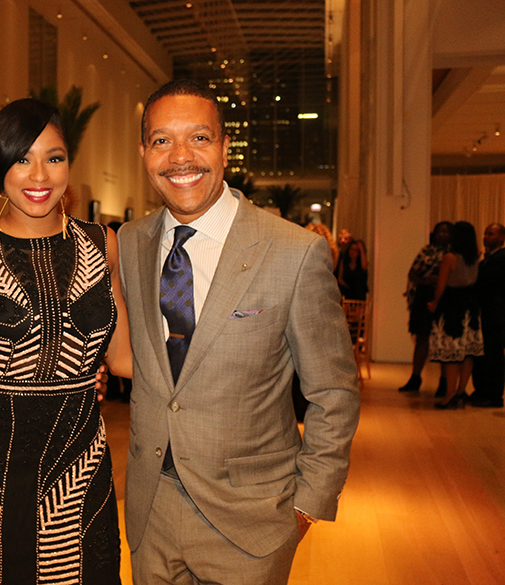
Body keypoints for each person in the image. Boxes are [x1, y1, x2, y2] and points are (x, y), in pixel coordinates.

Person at [118, 79, 360, 584]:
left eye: (199, 138)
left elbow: (334, 391)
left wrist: (306, 506)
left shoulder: (293, 253)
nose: (180, 157)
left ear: (225, 148)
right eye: (162, 140)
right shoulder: (130, 242)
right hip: (151, 514)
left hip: (251, 525)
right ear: (144, 152)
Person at [0, 99, 131, 584]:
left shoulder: (103, 244)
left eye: (54, 158)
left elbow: (127, 358)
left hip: (78, 454)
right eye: (21, 158)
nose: (39, 175)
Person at [428, 221, 484, 409]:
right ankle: (461, 391)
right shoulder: (475, 256)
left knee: (452, 354)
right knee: (467, 353)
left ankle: (449, 395)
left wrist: (434, 303)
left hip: (452, 307)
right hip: (471, 307)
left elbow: (442, 286)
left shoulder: (449, 257)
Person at [399, 222, 453, 395]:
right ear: (434, 234)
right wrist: (427, 281)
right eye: (439, 231)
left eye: (446, 231)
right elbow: (412, 273)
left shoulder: (454, 254)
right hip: (423, 298)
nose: (443, 234)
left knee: (444, 340)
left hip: (445, 299)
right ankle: (415, 377)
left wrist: (441, 280)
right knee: (422, 338)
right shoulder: (426, 251)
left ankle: (444, 381)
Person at [470, 223, 505, 408]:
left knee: (494, 355)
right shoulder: (485, 260)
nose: (486, 237)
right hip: (484, 313)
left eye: (490, 234)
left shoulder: (502, 258)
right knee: (481, 353)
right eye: (485, 234)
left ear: (501, 237)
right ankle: (481, 390)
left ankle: (494, 395)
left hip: (496, 314)